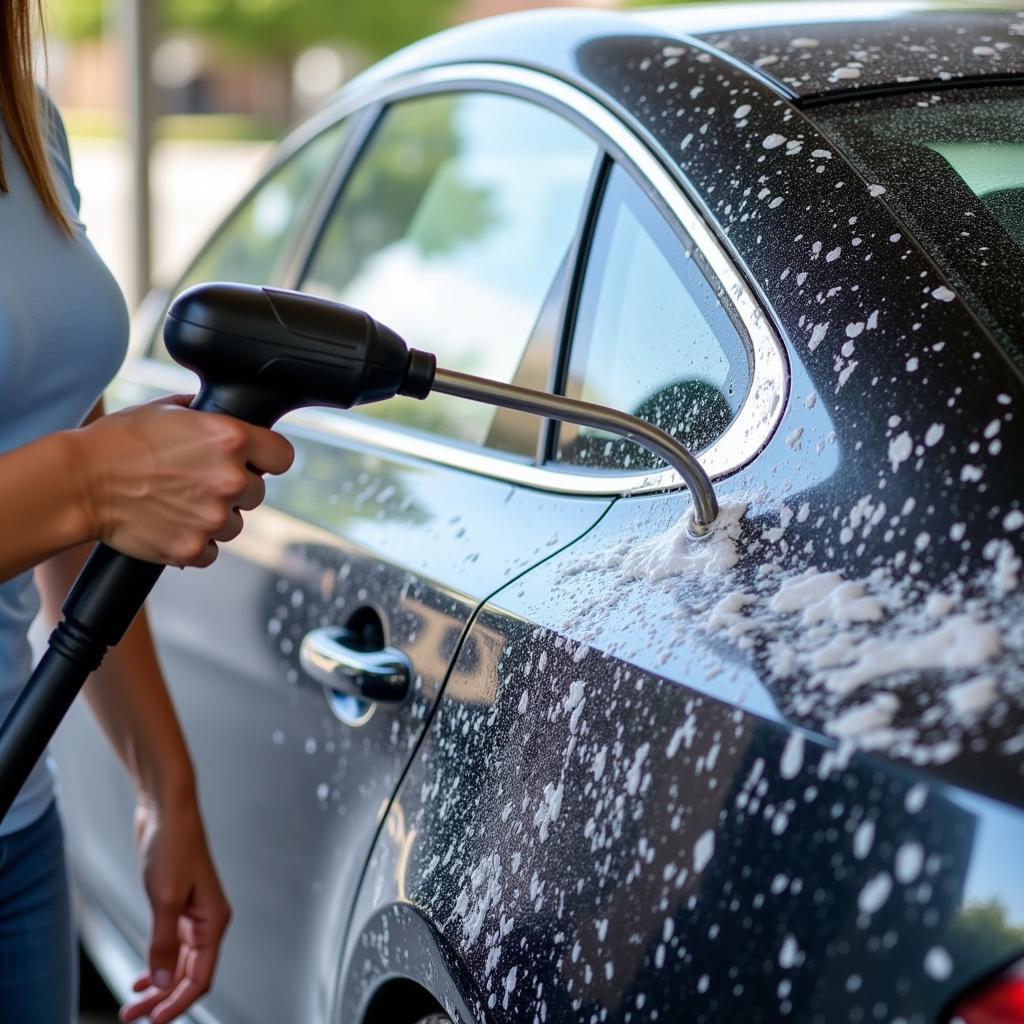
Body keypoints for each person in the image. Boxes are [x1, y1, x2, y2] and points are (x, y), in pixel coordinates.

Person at [0, 5, 295, 1023]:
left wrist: (164, 786)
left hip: (14, 823)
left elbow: (63, 496)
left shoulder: (24, 125)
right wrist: (94, 474)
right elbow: (75, 479)